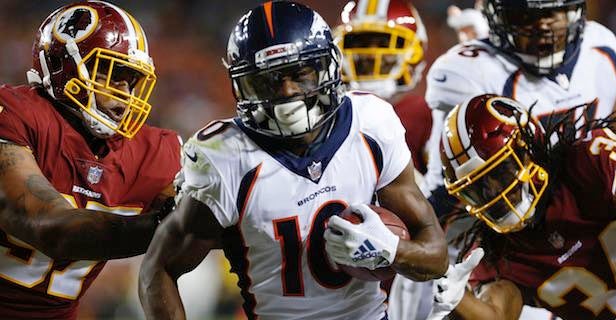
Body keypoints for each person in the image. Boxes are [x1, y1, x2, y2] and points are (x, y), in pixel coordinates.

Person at [138, 1, 448, 319]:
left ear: (327, 66)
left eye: (300, 74)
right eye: (268, 80)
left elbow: (436, 256)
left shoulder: (371, 122)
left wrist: (391, 250)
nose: (287, 92)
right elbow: (159, 269)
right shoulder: (225, 157)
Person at [0, 1, 181, 319]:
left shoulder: (155, 153)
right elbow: (51, 228)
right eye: (112, 74)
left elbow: (172, 257)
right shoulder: (15, 115)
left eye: (131, 80)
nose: (125, 94)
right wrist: (169, 224)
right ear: (64, 67)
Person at [427, 94, 616, 320]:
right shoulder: (495, 255)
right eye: (479, 189)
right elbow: (497, 315)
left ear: (529, 149)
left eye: (500, 172)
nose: (495, 193)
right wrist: (455, 295)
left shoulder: (588, 162)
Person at [424, 0, 616, 198]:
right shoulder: (470, 71)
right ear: (498, 18)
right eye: (524, 17)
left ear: (573, 11)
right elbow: (446, 185)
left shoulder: (600, 43)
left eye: (552, 13)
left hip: (592, 199)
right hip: (519, 208)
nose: (542, 27)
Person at [332, 1, 437, 319]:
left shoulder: (424, 115)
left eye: (382, 43)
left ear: (415, 53)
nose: (369, 55)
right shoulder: (330, 117)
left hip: (413, 273)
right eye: (359, 43)